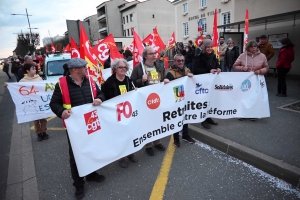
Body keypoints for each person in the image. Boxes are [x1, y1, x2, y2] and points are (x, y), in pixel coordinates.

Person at [50, 58, 106, 199]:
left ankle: (91, 174)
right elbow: (54, 103)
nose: (86, 67)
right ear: (75, 69)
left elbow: (100, 94)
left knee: (92, 149)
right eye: (84, 66)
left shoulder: (90, 81)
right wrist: (61, 112)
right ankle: (79, 185)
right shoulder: (62, 85)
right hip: (75, 127)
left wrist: (99, 98)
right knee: (76, 156)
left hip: (91, 123)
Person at [101, 58, 138, 168]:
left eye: (125, 67)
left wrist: (135, 91)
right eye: (120, 67)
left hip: (128, 113)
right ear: (115, 69)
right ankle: (121, 157)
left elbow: (133, 94)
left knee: (130, 133)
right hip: (115, 114)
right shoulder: (108, 83)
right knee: (119, 136)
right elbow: (104, 97)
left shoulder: (129, 80)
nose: (123, 69)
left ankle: (130, 153)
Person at [131, 46, 166, 156]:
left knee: (157, 121)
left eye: (155, 53)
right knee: (147, 122)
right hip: (145, 100)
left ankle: (157, 142)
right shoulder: (138, 68)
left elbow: (162, 79)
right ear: (145, 56)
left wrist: (165, 81)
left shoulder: (159, 66)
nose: (154, 55)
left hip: (157, 98)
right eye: (151, 53)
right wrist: (141, 80)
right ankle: (148, 144)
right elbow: (132, 83)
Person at [164, 54, 196, 147]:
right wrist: (165, 81)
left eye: (182, 60)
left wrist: (192, 76)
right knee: (176, 120)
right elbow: (166, 86)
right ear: (174, 62)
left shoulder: (187, 70)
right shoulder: (170, 73)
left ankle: (185, 135)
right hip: (176, 100)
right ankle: (176, 139)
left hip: (186, 99)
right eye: (178, 60)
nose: (181, 62)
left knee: (185, 118)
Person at [233, 40, 269, 121]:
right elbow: (235, 66)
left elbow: (266, 67)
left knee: (255, 97)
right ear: (248, 48)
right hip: (245, 80)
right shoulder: (242, 56)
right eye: (251, 47)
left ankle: (253, 114)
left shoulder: (262, 56)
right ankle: (242, 114)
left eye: (255, 46)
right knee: (244, 96)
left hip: (257, 79)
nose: (253, 48)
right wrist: (243, 68)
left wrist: (260, 71)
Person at [192, 39, 220, 129]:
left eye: (211, 47)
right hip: (202, 83)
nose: (210, 48)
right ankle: (203, 119)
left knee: (210, 101)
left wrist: (218, 68)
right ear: (204, 47)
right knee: (203, 102)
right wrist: (208, 71)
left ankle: (208, 117)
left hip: (211, 83)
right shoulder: (198, 57)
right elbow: (195, 70)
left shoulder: (214, 56)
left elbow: (217, 64)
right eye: (208, 47)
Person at [20, 63, 49, 141]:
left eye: (35, 69)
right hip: (31, 103)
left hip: (40, 102)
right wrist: (8, 86)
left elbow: (44, 88)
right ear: (27, 71)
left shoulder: (39, 78)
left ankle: (44, 132)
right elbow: (17, 90)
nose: (35, 70)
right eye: (33, 69)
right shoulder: (23, 81)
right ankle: (39, 134)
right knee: (36, 120)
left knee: (43, 118)